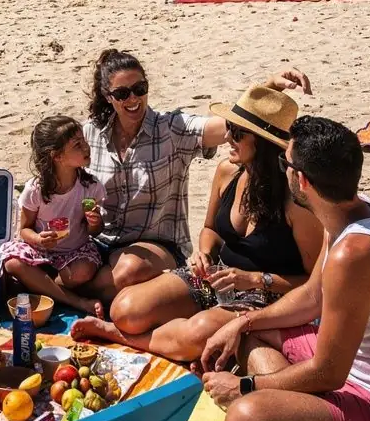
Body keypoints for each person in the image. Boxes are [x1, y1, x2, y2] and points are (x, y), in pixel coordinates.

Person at [199, 116, 370, 421]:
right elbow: (310, 298)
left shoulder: (355, 255)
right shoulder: (351, 211)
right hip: (352, 371)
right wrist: (242, 321)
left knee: (244, 419)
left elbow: (329, 374)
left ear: (301, 180)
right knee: (252, 335)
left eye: (285, 163)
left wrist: (244, 387)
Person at [71, 83, 321, 361]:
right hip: (217, 275)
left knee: (196, 334)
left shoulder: (296, 203)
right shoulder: (228, 172)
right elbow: (210, 229)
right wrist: (204, 253)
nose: (227, 138)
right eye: (229, 128)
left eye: (237, 133)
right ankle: (158, 333)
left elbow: (314, 284)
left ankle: (119, 336)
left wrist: (254, 279)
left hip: (265, 295)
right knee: (125, 309)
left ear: (262, 144)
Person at [0, 117, 107, 317]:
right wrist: (38, 239)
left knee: (82, 272)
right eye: (77, 145)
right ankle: (76, 300)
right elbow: (24, 229)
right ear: (57, 156)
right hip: (40, 253)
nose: (86, 147)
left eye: (84, 140)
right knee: (12, 263)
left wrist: (95, 223)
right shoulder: (36, 189)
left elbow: (94, 231)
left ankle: (38, 285)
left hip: (75, 251)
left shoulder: (90, 186)